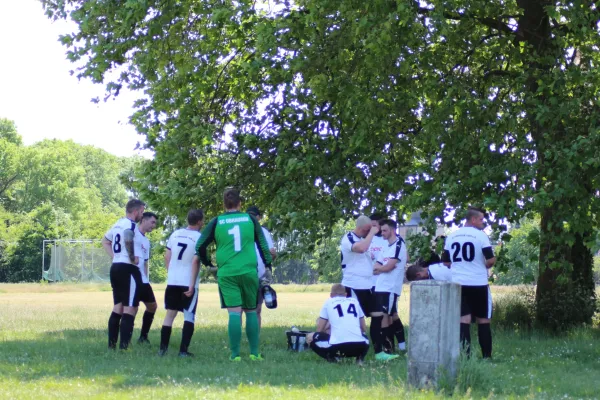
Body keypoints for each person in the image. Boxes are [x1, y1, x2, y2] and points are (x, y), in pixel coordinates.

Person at [196, 188, 272, 361]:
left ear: (224, 204)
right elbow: (262, 244)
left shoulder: (216, 221)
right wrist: (268, 266)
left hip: (227, 273)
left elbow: (200, 245)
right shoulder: (250, 219)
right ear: (240, 203)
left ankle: (235, 355)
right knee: (252, 311)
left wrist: (209, 264)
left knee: (234, 313)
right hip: (248, 271)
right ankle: (254, 353)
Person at [442, 207, 496, 358]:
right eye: (481, 220)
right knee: (483, 319)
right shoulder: (481, 236)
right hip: (478, 283)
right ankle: (486, 356)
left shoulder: (451, 236)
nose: (482, 223)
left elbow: (446, 261)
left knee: (463, 319)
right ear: (473, 219)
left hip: (458, 284)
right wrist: (485, 265)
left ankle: (465, 356)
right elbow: (490, 259)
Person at [159, 209, 204, 357]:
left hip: (173, 280)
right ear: (199, 222)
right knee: (189, 315)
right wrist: (191, 285)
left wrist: (170, 273)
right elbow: (195, 261)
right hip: (187, 281)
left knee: (169, 314)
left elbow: (167, 256)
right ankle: (183, 351)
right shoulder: (199, 237)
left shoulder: (175, 234)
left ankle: (162, 349)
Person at [101, 199, 145, 350]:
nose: (142, 215)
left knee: (118, 307)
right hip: (128, 269)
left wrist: (115, 256)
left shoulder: (117, 223)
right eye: (142, 212)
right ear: (135, 211)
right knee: (130, 308)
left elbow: (105, 241)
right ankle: (124, 348)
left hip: (116, 267)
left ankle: (111, 346)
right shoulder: (130, 225)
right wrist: (132, 257)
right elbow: (127, 236)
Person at [306, 284, 369, 364]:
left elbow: (319, 329)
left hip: (338, 347)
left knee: (310, 336)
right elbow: (363, 328)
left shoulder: (329, 302)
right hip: (360, 347)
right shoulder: (354, 301)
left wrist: (328, 328)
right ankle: (359, 360)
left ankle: (333, 359)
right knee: (364, 336)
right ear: (346, 294)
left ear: (331, 295)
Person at [372, 219, 406, 360]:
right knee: (389, 316)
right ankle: (395, 348)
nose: (382, 233)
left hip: (390, 288)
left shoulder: (399, 245)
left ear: (392, 230)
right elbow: (376, 268)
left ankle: (388, 350)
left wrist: (382, 268)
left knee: (386, 317)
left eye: (384, 230)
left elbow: (389, 267)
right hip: (380, 287)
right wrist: (382, 268)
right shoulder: (386, 246)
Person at [247, 205, 277, 328]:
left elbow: (272, 253)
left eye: (254, 215)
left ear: (259, 217)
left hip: (261, 273)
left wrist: (272, 256)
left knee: (257, 309)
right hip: (245, 271)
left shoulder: (264, 232)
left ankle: (256, 336)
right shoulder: (243, 229)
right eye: (249, 215)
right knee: (244, 309)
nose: (251, 218)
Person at [135, 212, 158, 344]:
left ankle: (143, 336)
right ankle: (125, 341)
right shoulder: (134, 235)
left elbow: (145, 262)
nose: (154, 226)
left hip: (143, 281)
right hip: (133, 278)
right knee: (131, 309)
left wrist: (146, 278)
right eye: (152, 222)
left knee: (152, 307)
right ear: (143, 220)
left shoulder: (146, 241)